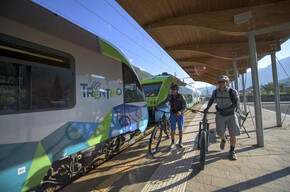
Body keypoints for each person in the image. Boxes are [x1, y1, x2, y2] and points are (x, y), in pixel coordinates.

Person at [204, 75, 240, 160]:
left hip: (231, 115)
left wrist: (227, 110)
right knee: (220, 133)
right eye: (220, 82)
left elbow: (235, 104)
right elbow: (211, 100)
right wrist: (207, 108)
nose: (221, 83)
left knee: (233, 134)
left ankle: (232, 150)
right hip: (220, 115)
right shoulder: (216, 92)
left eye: (223, 82)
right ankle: (223, 139)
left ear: (227, 82)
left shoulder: (232, 92)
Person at [155, 83, 186, 149]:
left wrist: (180, 111)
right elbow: (164, 102)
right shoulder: (170, 97)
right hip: (173, 115)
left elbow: (185, 106)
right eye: (172, 89)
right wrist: (157, 106)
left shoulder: (181, 96)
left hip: (180, 115)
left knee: (180, 129)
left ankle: (180, 142)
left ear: (177, 90)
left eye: (174, 89)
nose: (172, 90)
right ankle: (173, 143)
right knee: (173, 129)